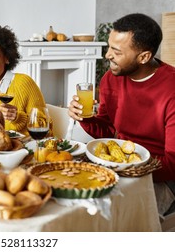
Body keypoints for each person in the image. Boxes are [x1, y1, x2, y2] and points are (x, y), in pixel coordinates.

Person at [68, 13, 175, 216]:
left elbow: (173, 163)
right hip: (120, 166)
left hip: (161, 176)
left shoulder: (172, 88)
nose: (107, 55)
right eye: (109, 46)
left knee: (111, 215)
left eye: (116, 51)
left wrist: (124, 168)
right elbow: (108, 130)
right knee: (75, 199)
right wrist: (86, 117)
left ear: (144, 57)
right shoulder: (111, 78)